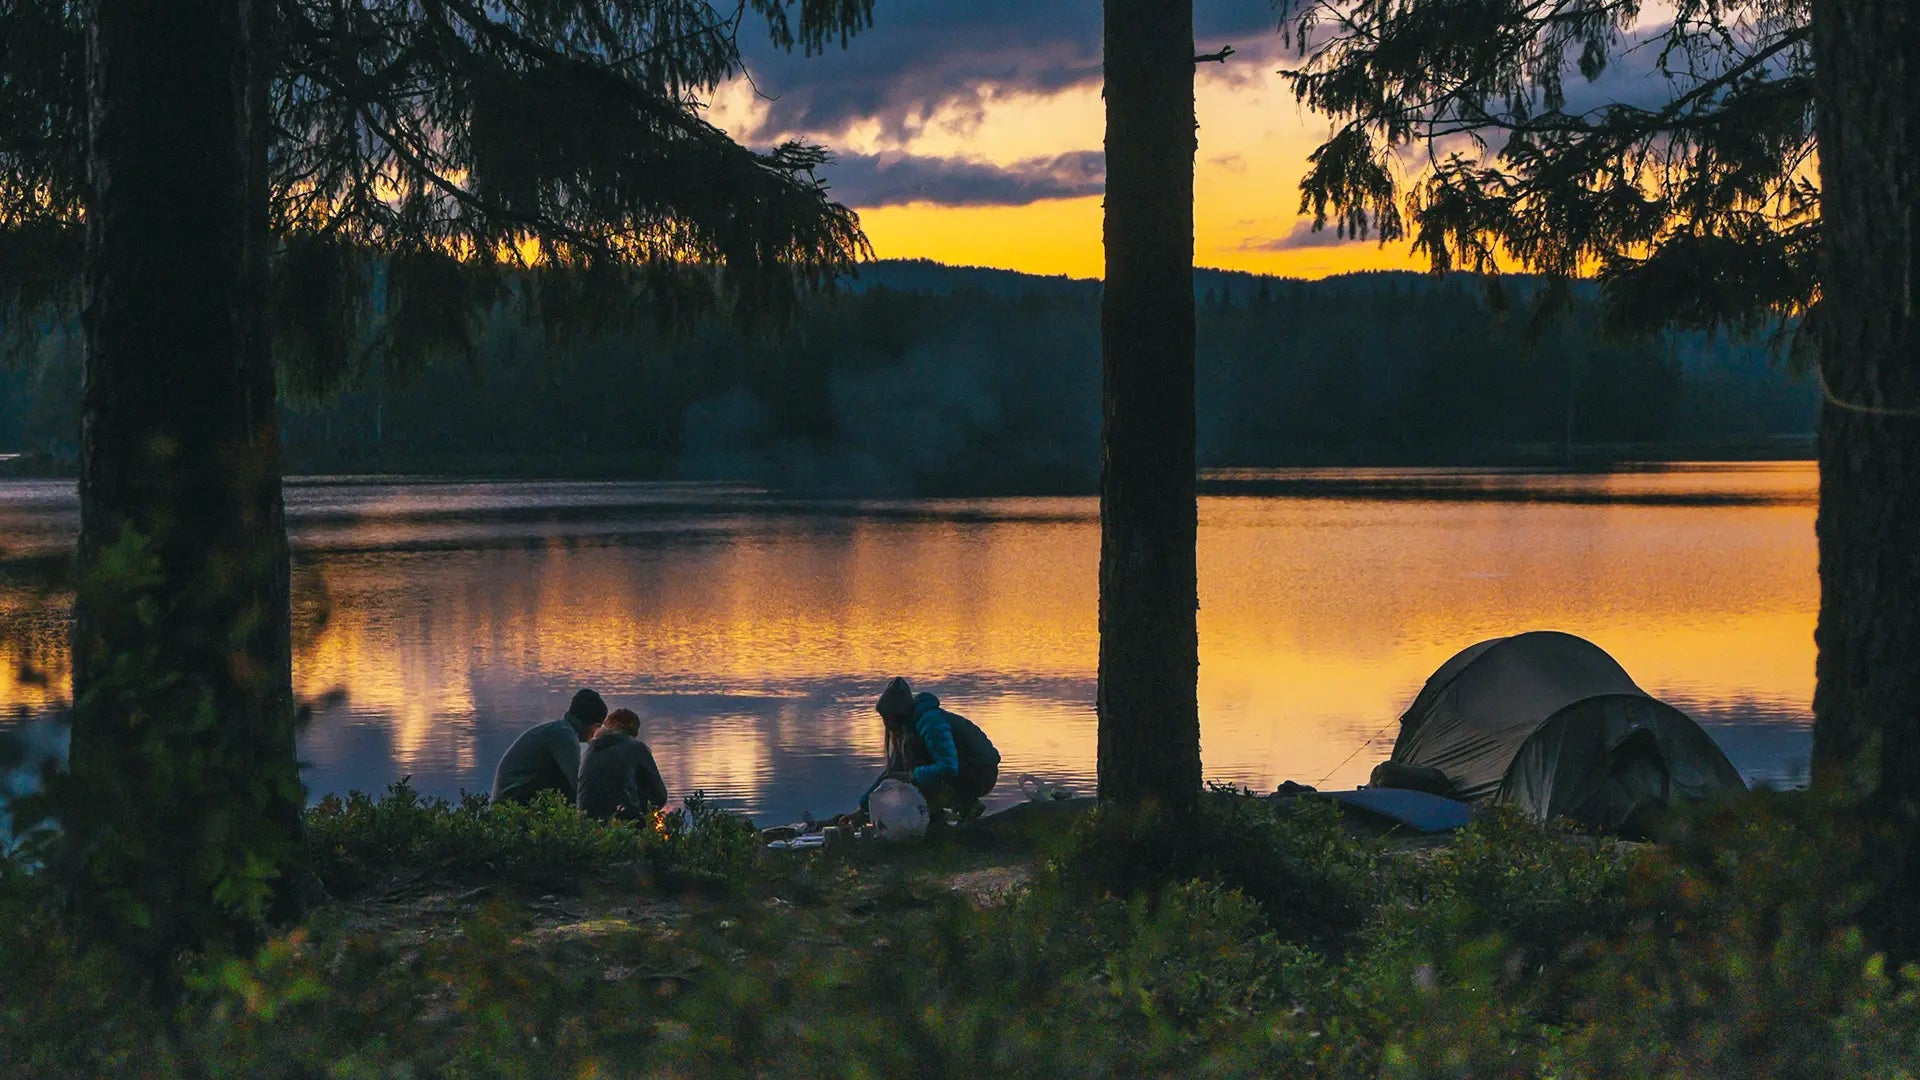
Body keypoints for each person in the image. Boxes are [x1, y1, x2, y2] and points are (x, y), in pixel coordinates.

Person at [859, 676, 1000, 823]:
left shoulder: (931, 722)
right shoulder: (909, 730)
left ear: (897, 715)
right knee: (912, 770)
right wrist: (864, 806)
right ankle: (945, 811)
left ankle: (961, 807)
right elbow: (892, 772)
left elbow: (948, 766)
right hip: (965, 770)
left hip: (981, 773)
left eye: (886, 718)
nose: (886, 725)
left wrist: (913, 777)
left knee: (917, 767)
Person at [490, 688, 605, 806]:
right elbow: (579, 783)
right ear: (592, 725)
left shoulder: (559, 730)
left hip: (511, 798)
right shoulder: (563, 736)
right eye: (598, 728)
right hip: (512, 803)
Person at [577, 707, 669, 822]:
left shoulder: (590, 750)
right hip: (622, 826)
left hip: (585, 826)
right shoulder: (637, 748)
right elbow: (660, 797)